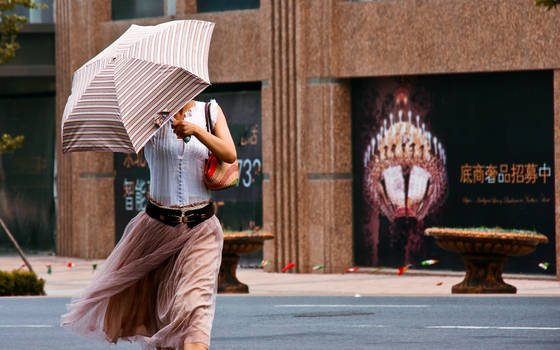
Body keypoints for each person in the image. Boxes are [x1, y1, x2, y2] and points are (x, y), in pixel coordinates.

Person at [61, 99, 237, 350]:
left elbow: (230, 154)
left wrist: (196, 131)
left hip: (201, 229)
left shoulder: (209, 110)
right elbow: (123, 142)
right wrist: (145, 120)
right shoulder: (147, 116)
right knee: (161, 322)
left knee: (194, 307)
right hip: (156, 230)